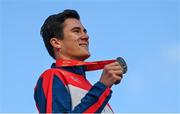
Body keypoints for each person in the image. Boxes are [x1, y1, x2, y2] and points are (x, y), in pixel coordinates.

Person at [34, 9, 124, 113]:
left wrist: (102, 88)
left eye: (85, 31)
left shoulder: (93, 89)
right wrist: (102, 87)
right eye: (76, 31)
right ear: (56, 42)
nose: (86, 36)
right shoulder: (53, 75)